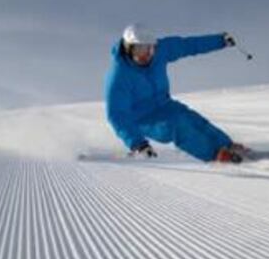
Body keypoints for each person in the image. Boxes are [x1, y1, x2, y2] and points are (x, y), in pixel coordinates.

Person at [105, 23, 246, 163]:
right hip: (144, 119)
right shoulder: (119, 76)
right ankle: (216, 155)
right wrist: (137, 143)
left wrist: (220, 40)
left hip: (165, 105)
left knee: (192, 119)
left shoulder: (160, 51)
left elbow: (188, 45)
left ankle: (227, 145)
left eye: (150, 49)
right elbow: (117, 114)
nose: (146, 55)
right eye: (139, 50)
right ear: (128, 49)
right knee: (178, 126)